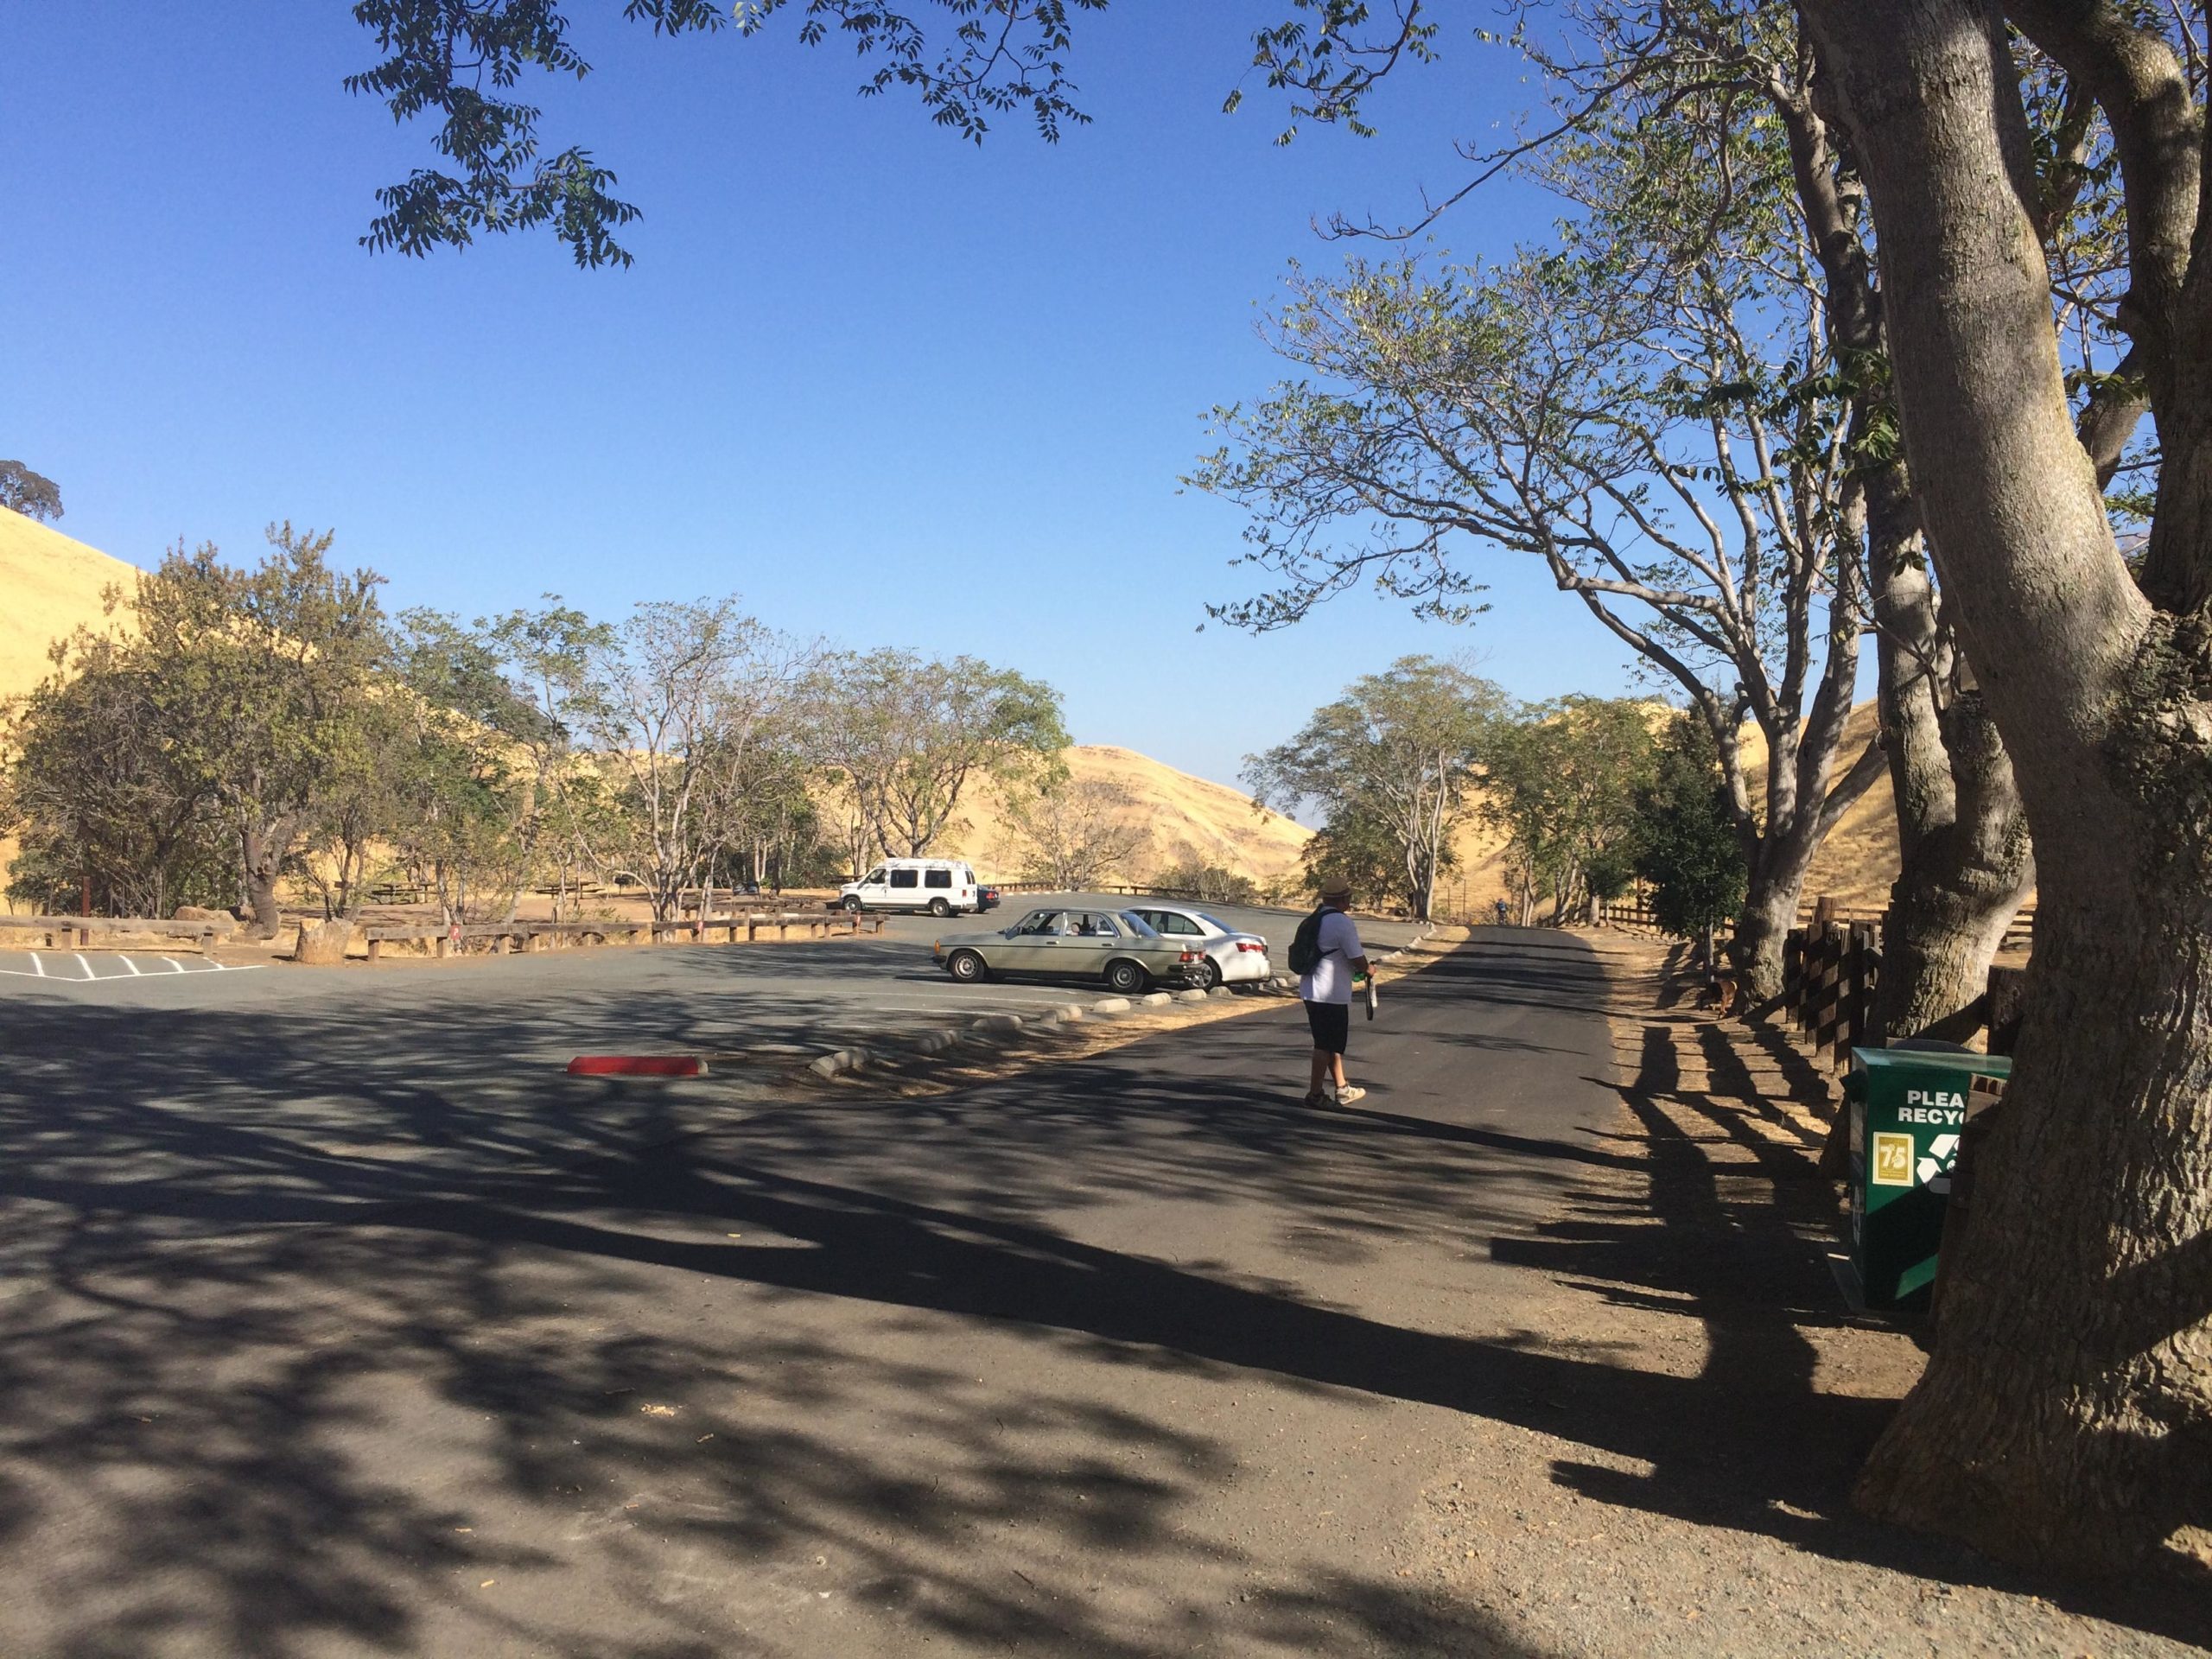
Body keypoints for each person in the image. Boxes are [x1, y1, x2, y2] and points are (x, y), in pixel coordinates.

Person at [1299, 878, 1371, 1108]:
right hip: (1331, 992)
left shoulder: (1314, 919)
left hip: (1311, 988)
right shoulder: (1341, 923)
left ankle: (1342, 1088)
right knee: (1325, 1044)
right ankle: (1315, 1094)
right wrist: (1369, 969)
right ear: (1342, 899)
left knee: (1330, 1043)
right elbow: (1356, 958)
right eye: (1348, 897)